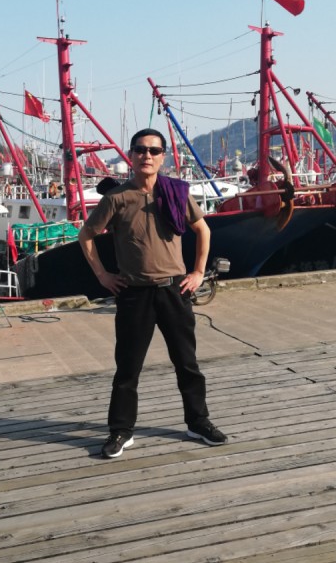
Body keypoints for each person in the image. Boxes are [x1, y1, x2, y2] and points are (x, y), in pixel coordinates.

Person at [78, 128, 227, 458]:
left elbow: (202, 229)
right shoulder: (116, 198)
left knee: (187, 363)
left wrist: (198, 273)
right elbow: (86, 234)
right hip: (134, 294)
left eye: (154, 150)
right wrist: (102, 275)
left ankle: (198, 422)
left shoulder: (175, 193)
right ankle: (121, 431)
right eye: (140, 150)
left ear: (163, 157)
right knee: (127, 368)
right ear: (131, 155)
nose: (147, 155)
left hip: (174, 290)